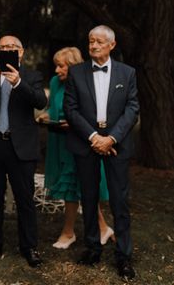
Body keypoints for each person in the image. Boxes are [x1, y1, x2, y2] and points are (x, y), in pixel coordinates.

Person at [64, 25, 139, 279]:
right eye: (90, 41)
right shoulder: (76, 73)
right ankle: (93, 248)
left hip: (116, 146)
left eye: (98, 42)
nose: (93, 46)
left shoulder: (127, 73)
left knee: (119, 200)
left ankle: (123, 256)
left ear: (111, 45)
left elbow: (132, 108)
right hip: (87, 143)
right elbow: (70, 109)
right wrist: (94, 137)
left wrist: (112, 138)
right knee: (89, 197)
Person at [0, 35, 47, 267]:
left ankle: (29, 247)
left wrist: (18, 83)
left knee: (25, 199)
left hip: (20, 147)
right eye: (2, 48)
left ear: (20, 52)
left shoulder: (31, 76)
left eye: (11, 48)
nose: (7, 50)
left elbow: (40, 102)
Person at [38, 47, 113, 249]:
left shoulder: (86, 82)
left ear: (73, 67)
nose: (56, 70)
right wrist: (46, 115)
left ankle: (69, 232)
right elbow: (53, 107)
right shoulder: (55, 83)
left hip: (80, 141)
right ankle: (101, 227)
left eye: (61, 66)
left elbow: (96, 114)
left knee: (78, 184)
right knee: (73, 184)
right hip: (59, 141)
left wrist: (75, 124)